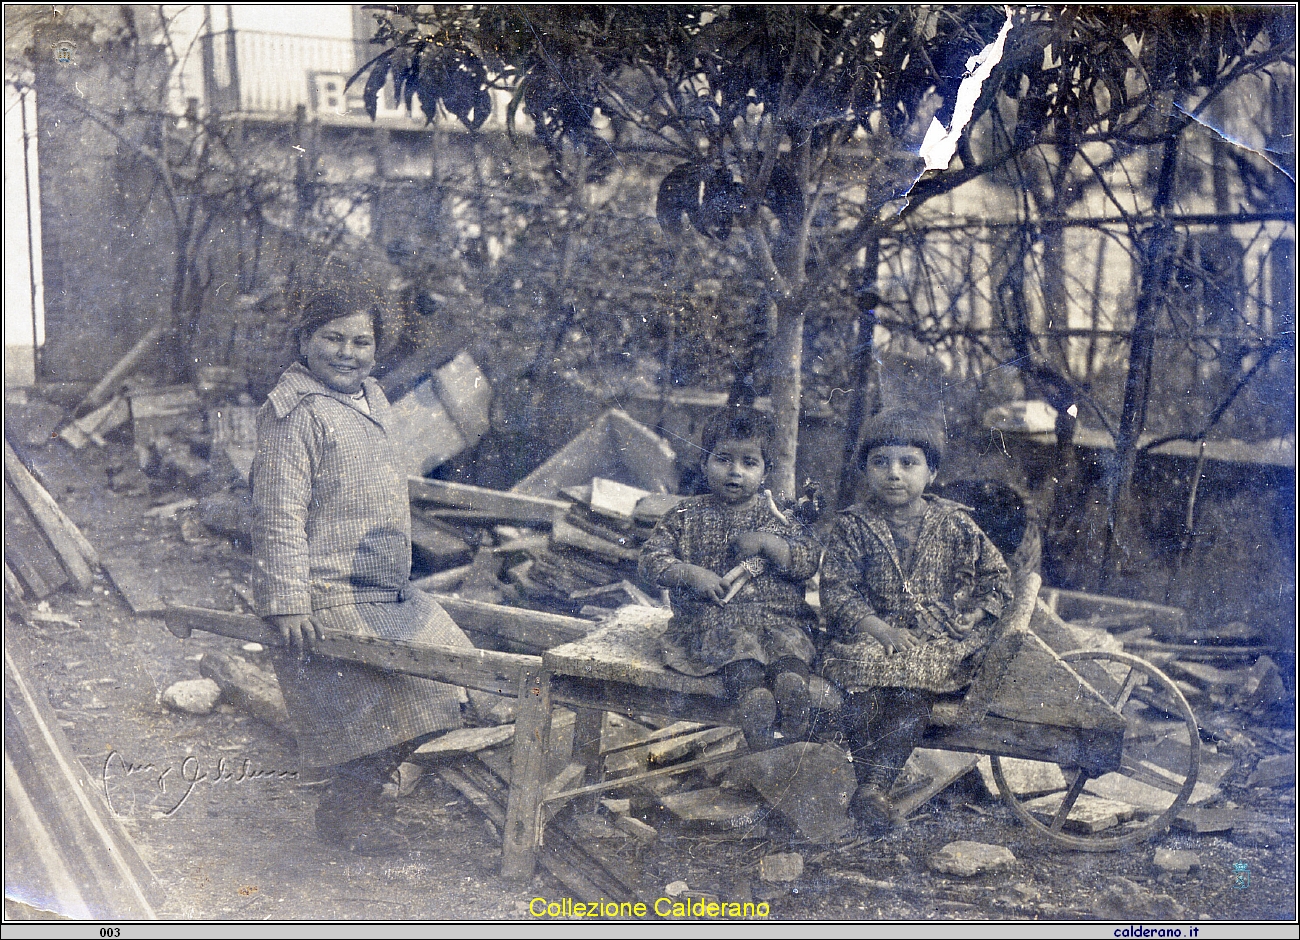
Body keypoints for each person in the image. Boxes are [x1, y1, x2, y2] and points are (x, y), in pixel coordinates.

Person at [251, 289, 473, 855]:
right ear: (304, 341)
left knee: (456, 683)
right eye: (332, 337)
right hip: (328, 593)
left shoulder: (373, 399)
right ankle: (347, 810)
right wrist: (288, 601)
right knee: (382, 711)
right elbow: (278, 513)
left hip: (385, 588)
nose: (347, 353)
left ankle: (353, 799)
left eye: (361, 341)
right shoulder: (294, 414)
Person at [819, 407, 1013, 832]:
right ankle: (872, 785)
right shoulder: (853, 526)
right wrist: (877, 628)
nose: (894, 474)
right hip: (874, 632)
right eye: (880, 463)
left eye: (908, 463)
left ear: (932, 473)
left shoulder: (954, 524)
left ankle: (873, 786)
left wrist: (975, 612)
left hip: (935, 636)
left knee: (913, 691)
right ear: (865, 470)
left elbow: (996, 578)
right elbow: (837, 589)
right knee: (861, 686)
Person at [639, 407, 820, 750]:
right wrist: (689, 573)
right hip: (713, 621)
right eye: (723, 459)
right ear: (704, 462)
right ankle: (754, 702)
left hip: (778, 620)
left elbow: (808, 559)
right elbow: (650, 560)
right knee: (737, 649)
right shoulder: (685, 515)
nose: (735, 472)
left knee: (790, 643)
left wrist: (770, 544)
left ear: (765, 472)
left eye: (749, 462)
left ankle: (791, 687)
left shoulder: (777, 516)